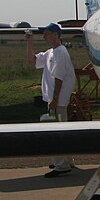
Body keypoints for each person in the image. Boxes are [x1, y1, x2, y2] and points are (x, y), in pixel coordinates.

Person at [26, 23, 76, 177]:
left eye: (47, 33)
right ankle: (64, 160)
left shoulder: (60, 52)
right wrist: (29, 43)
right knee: (59, 129)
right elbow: (32, 61)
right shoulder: (50, 53)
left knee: (57, 132)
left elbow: (59, 77)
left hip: (58, 100)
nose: (44, 36)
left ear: (55, 34)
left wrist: (55, 98)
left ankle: (62, 166)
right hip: (53, 99)